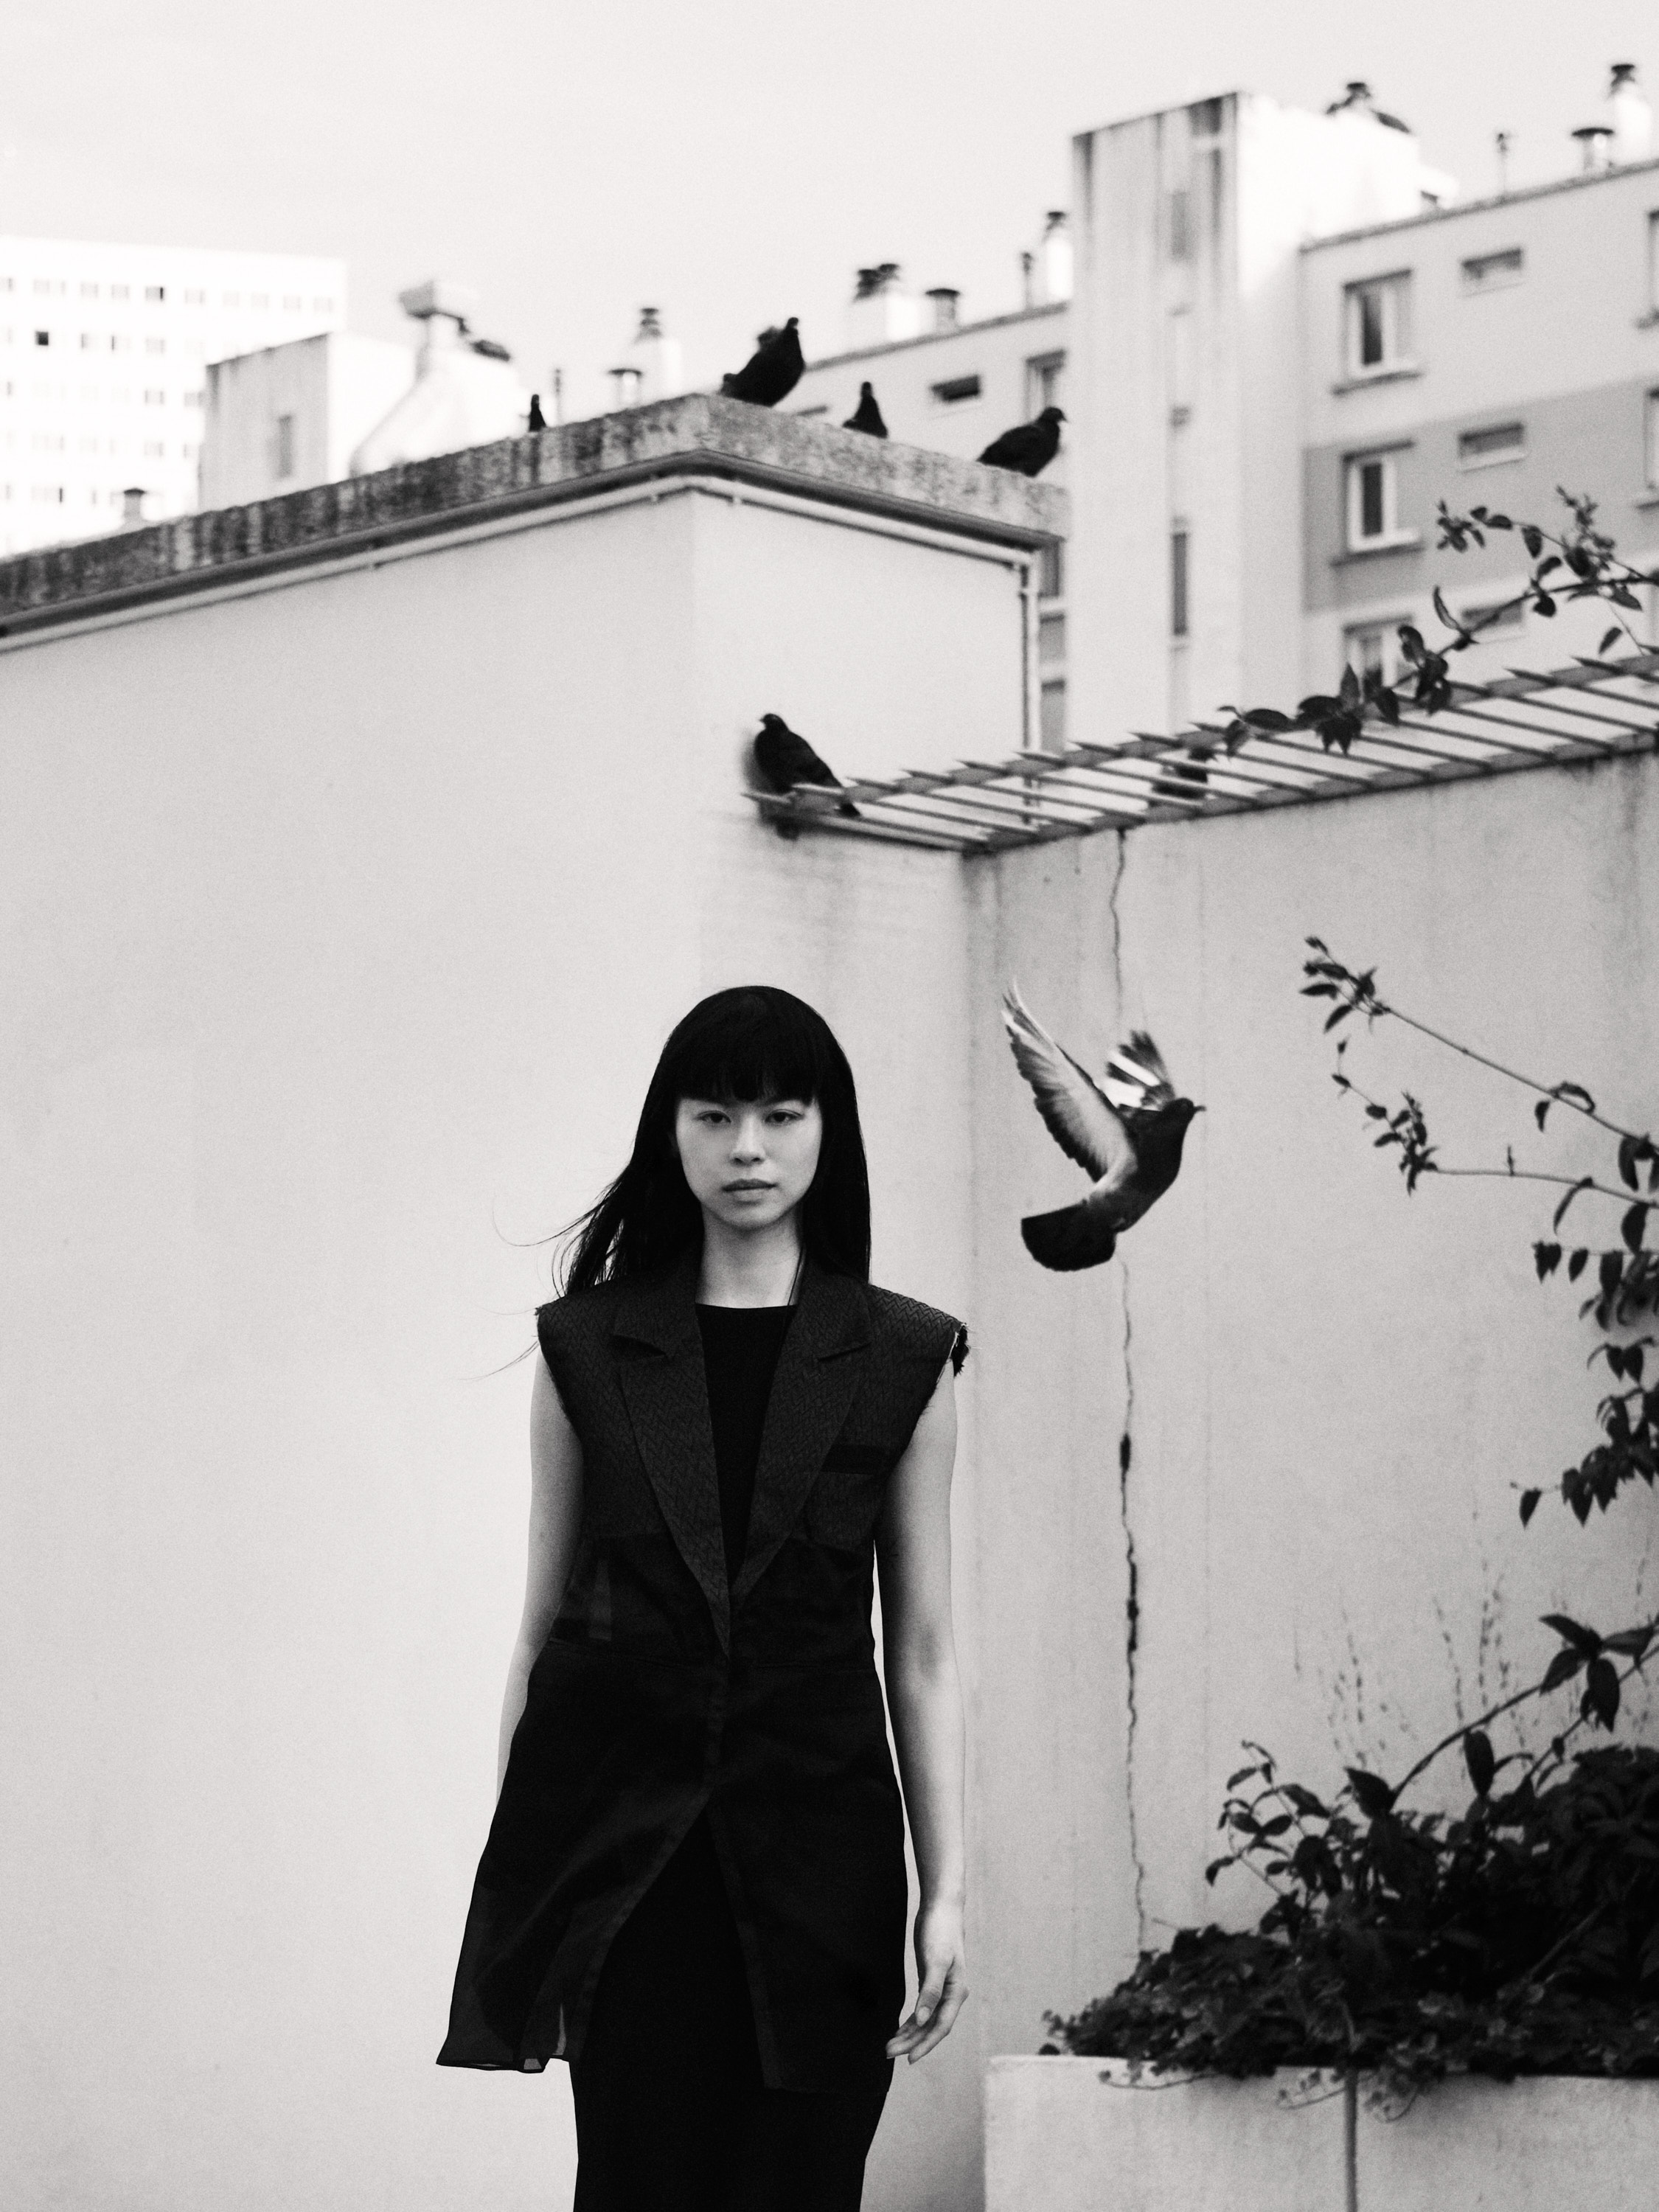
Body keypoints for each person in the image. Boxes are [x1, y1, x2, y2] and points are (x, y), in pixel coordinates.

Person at [437, 984, 970, 2210]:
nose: (747, 1149)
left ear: (827, 1132)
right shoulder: (586, 1348)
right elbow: (540, 1634)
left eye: (781, 1115)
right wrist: (531, 1874)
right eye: (715, 1115)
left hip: (826, 1866)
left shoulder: (905, 1356)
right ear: (668, 1131)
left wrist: (944, 1894)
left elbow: (923, 1650)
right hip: (632, 1868)